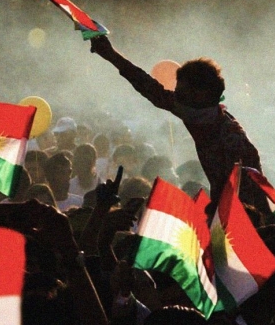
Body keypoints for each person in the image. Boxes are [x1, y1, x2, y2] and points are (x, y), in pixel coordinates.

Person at [89, 36, 263, 211]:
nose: (175, 97)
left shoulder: (230, 138)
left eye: (181, 93)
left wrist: (217, 210)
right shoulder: (202, 114)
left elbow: (246, 197)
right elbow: (152, 90)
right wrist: (112, 55)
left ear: (201, 94)